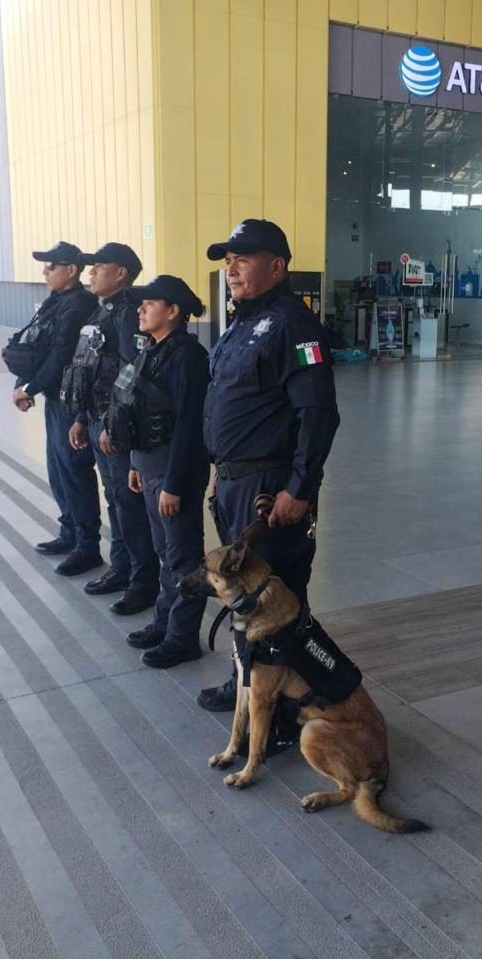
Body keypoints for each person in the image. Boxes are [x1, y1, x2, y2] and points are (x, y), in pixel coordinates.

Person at [195, 219, 340, 712]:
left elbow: (317, 413)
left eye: (243, 259)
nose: (231, 269)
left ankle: (278, 710)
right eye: (228, 260)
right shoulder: (241, 324)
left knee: (274, 599)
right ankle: (248, 686)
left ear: (277, 266)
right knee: (246, 592)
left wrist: (299, 489)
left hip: (270, 489)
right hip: (236, 483)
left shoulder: (295, 325)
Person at [104, 275, 210, 668]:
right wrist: (135, 462)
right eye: (141, 303)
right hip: (150, 468)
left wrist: (174, 484)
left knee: (183, 559)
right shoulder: (152, 350)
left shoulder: (187, 357)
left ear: (173, 311)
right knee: (165, 554)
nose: (141, 309)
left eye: (150, 303)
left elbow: (189, 427)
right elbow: (138, 410)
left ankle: (183, 638)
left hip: (172, 474)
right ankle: (165, 623)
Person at [62, 242, 161, 613]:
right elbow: (89, 366)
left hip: (114, 424)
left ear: (121, 273)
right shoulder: (100, 310)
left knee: (129, 505)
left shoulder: (128, 313)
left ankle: (143, 581)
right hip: (95, 418)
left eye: (99, 267)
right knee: (116, 500)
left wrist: (111, 423)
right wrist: (80, 418)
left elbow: (131, 371)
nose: (91, 273)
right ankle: (121, 568)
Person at [7, 241, 102, 575]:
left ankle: (87, 546)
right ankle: (70, 532)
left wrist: (29, 388)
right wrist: (23, 382)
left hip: (73, 402)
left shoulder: (80, 305)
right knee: (58, 470)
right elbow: (34, 344)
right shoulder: (55, 301)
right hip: (55, 399)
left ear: (71, 270)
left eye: (51, 266)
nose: (45, 272)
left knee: (74, 471)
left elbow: (61, 354)